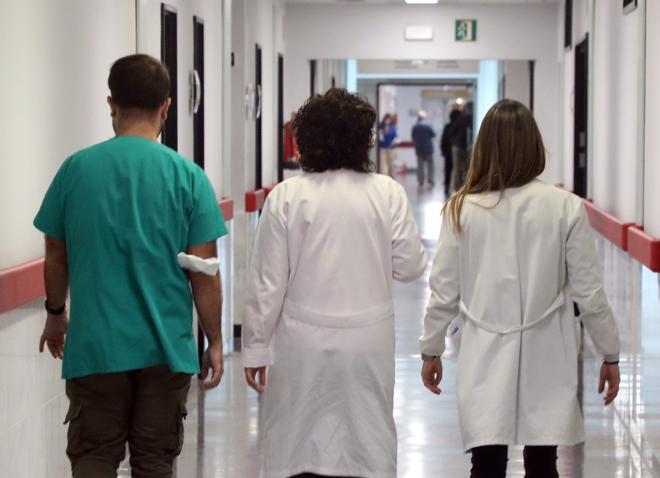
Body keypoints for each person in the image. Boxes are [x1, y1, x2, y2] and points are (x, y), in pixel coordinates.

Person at [34, 54, 227, 478]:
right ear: (167, 106)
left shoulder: (76, 170)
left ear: (111, 103)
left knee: (94, 459)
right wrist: (214, 339)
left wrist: (54, 314)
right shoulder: (188, 177)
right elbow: (204, 269)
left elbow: (55, 252)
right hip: (165, 350)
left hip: (96, 348)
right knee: (155, 462)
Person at [419, 99, 621, 478]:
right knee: (544, 461)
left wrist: (430, 348)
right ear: (534, 146)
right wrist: (609, 353)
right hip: (547, 349)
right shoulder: (565, 208)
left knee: (486, 461)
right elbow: (589, 293)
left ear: (482, 148)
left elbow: (443, 292)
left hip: (484, 347)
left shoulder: (461, 209)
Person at [242, 88, 427, 478]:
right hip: (368, 341)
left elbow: (266, 283)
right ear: (365, 139)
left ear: (306, 140)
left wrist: (256, 347)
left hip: (301, 344)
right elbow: (410, 266)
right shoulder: (387, 193)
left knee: (299, 441)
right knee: (365, 442)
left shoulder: (288, 196)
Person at [449, 102, 474, 191]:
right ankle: (458, 188)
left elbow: (451, 132)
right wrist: (456, 142)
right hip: (460, 147)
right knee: (460, 168)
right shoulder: (464, 118)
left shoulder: (468, 118)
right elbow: (451, 132)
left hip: (464, 147)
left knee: (463, 168)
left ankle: (461, 188)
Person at [411, 110, 436, 187]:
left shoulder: (415, 127)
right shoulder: (428, 126)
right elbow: (433, 135)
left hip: (419, 149)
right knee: (430, 165)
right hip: (428, 149)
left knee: (420, 166)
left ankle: (421, 180)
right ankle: (430, 179)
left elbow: (413, 137)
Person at [440, 108, 461, 197]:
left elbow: (443, 140)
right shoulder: (460, 127)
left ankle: (446, 188)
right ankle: (458, 188)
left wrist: (443, 151)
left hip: (448, 153)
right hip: (457, 153)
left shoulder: (448, 126)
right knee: (458, 170)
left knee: (447, 171)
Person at [378, 113, 399, 177]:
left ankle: (392, 178)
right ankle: (384, 179)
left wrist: (395, 141)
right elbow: (379, 137)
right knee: (383, 165)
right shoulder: (380, 128)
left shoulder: (393, 128)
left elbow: (396, 137)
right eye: (386, 119)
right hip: (383, 148)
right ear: (384, 120)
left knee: (391, 165)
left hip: (391, 148)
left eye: (389, 119)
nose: (387, 121)